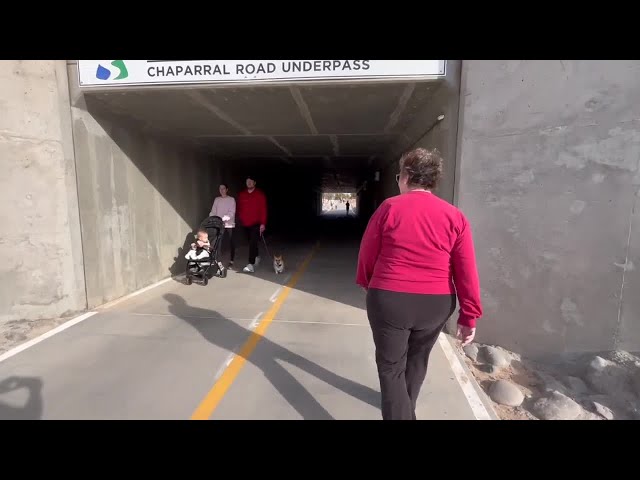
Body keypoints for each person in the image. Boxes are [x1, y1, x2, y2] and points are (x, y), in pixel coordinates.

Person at [356, 147, 482, 421]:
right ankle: (405, 408)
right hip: (435, 303)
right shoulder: (454, 216)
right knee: (417, 359)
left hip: (390, 298)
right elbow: (466, 270)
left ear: (407, 176)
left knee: (390, 366)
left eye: (399, 175)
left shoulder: (389, 208)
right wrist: (469, 315)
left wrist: (367, 283)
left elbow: (368, 253)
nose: (398, 180)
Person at [236, 175, 267, 273]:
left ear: (254, 183)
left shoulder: (260, 195)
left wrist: (263, 223)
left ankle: (250, 264)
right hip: (245, 223)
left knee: (253, 242)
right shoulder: (242, 195)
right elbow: (239, 208)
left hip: (256, 223)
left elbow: (263, 210)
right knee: (251, 242)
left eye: (251, 181)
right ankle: (257, 256)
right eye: (247, 181)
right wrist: (239, 217)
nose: (249, 183)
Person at [210, 183, 236, 268]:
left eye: (223, 188)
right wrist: (211, 217)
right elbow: (213, 211)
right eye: (220, 188)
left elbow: (232, 212)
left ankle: (231, 260)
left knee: (231, 242)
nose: (221, 190)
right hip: (219, 224)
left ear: (227, 189)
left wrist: (224, 218)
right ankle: (218, 260)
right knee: (218, 242)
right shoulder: (217, 199)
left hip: (229, 224)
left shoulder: (231, 199)